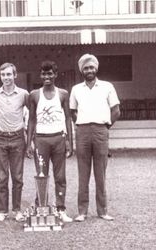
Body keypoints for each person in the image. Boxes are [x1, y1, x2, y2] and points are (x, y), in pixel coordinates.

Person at [69, 54, 120, 222]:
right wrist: (82, 125)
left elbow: (116, 110)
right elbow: (72, 112)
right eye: (86, 68)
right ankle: (82, 211)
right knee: (83, 173)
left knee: (100, 173)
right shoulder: (76, 89)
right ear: (81, 70)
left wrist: (105, 127)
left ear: (96, 69)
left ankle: (102, 210)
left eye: (91, 67)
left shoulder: (107, 86)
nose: (89, 70)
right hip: (82, 131)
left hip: (101, 130)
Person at [26, 60, 73, 223]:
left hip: (58, 138)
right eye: (44, 73)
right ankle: (41, 207)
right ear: (40, 75)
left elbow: (68, 118)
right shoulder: (34, 94)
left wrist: (70, 141)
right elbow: (31, 120)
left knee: (60, 176)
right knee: (42, 175)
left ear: (55, 74)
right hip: (41, 140)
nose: (47, 76)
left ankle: (61, 209)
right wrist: (28, 144)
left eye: (50, 73)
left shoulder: (63, 94)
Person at [0, 62, 29, 222]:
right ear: (0, 76)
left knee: (17, 177)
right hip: (0, 139)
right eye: (3, 75)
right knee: (1, 177)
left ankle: (17, 210)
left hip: (18, 138)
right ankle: (2, 211)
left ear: (15, 75)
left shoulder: (23, 94)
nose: (6, 78)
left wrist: (29, 135)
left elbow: (32, 113)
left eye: (9, 74)